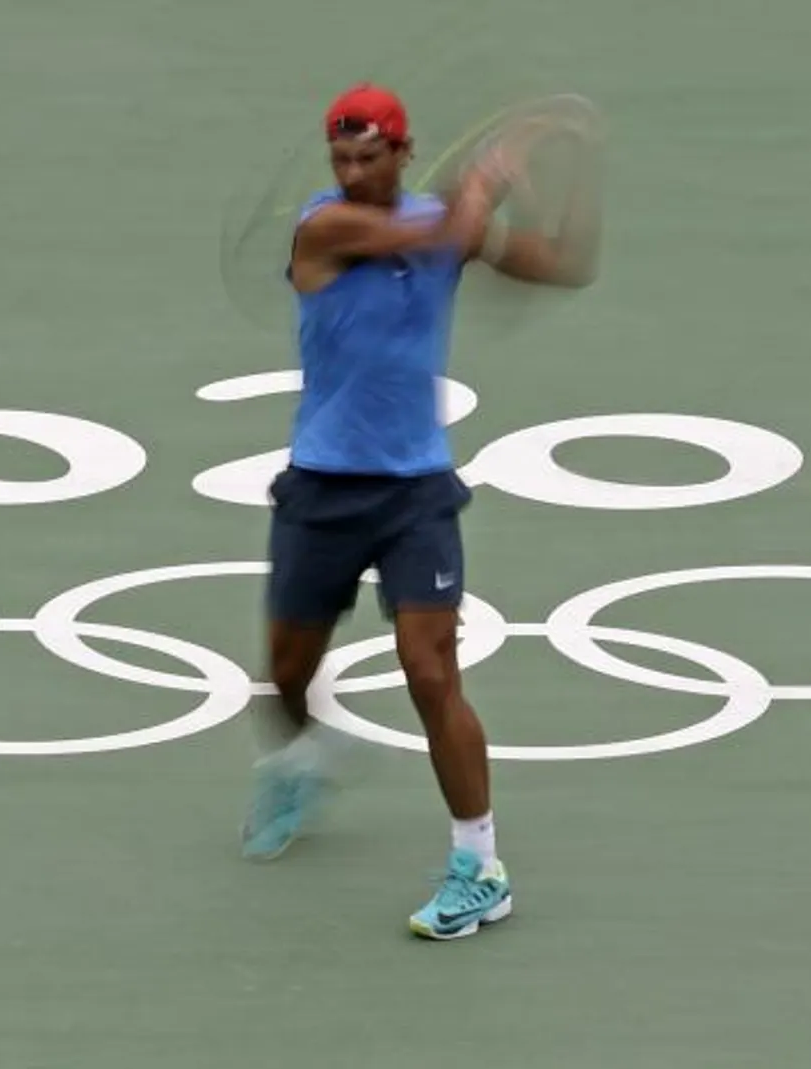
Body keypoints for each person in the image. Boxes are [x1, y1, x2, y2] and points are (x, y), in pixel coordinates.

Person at [240, 82, 596, 940]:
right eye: (343, 158)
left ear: (403, 152)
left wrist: (559, 193)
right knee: (285, 676)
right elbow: (437, 230)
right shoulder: (325, 228)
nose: (354, 172)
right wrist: (491, 178)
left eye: (371, 157)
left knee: (431, 669)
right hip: (321, 488)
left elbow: (552, 265)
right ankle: (304, 757)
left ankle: (479, 866)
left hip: (415, 493)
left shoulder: (444, 225)